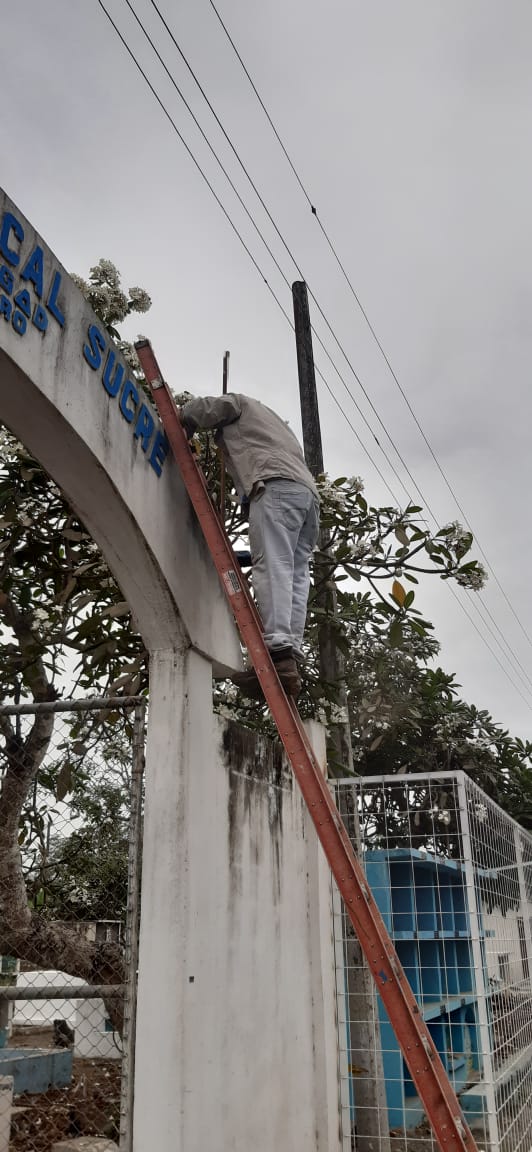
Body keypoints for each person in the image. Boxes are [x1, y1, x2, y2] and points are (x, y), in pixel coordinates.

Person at [179, 393, 320, 696]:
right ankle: (288, 656)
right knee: (296, 573)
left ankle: (278, 649)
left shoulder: (240, 403)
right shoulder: (277, 427)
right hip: (307, 497)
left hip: (276, 486)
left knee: (274, 565)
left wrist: (182, 420)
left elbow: (207, 409)